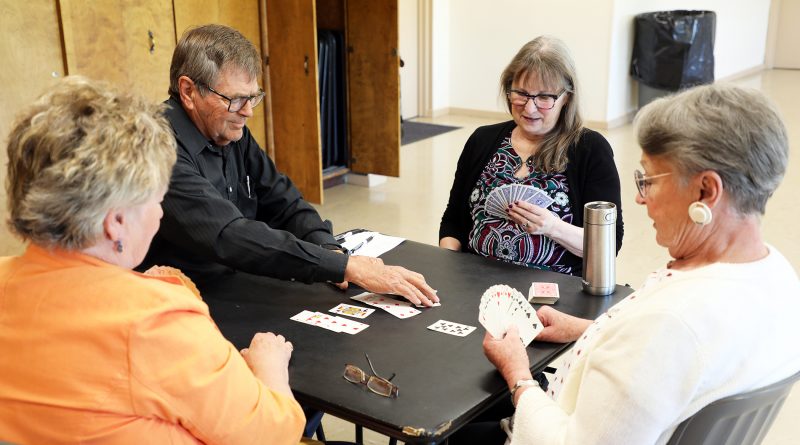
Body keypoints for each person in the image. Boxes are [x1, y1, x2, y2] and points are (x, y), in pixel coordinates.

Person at [474, 83, 800, 444]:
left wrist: (518, 373)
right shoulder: (780, 278)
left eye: (649, 180)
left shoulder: (670, 325)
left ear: (706, 191)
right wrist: (590, 329)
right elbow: (666, 365)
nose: (639, 198)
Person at [0, 77, 305, 444]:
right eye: (156, 200)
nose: (160, 215)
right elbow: (272, 434)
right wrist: (269, 367)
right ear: (116, 222)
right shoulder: (155, 322)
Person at [141, 24, 438, 306]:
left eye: (252, 98)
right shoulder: (157, 147)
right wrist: (345, 266)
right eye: (235, 99)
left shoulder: (227, 129)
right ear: (189, 91)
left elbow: (284, 201)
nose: (248, 112)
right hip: (183, 299)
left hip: (239, 285)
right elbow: (229, 235)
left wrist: (328, 247)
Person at [439, 36, 623, 276]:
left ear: (566, 97)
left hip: (555, 291)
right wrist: (446, 267)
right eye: (521, 94)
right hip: (475, 281)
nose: (529, 108)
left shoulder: (590, 149)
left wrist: (552, 227)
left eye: (545, 97)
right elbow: (454, 221)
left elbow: (609, 244)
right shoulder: (482, 140)